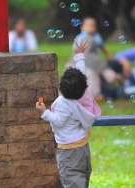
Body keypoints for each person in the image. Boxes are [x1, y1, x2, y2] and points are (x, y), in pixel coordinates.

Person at [36, 43, 101, 188]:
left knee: (72, 181)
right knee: (82, 179)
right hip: (83, 148)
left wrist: (44, 112)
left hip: (68, 152)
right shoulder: (83, 96)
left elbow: (58, 121)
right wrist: (79, 56)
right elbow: (82, 75)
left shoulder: (63, 103)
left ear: (61, 86)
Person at [71, 17, 122, 99]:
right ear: (82, 28)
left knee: (106, 73)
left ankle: (114, 79)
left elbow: (103, 48)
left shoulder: (96, 37)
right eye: (89, 25)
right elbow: (75, 50)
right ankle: (97, 94)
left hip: (97, 62)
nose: (91, 27)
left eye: (93, 25)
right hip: (87, 63)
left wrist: (109, 56)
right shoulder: (81, 37)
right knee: (92, 76)